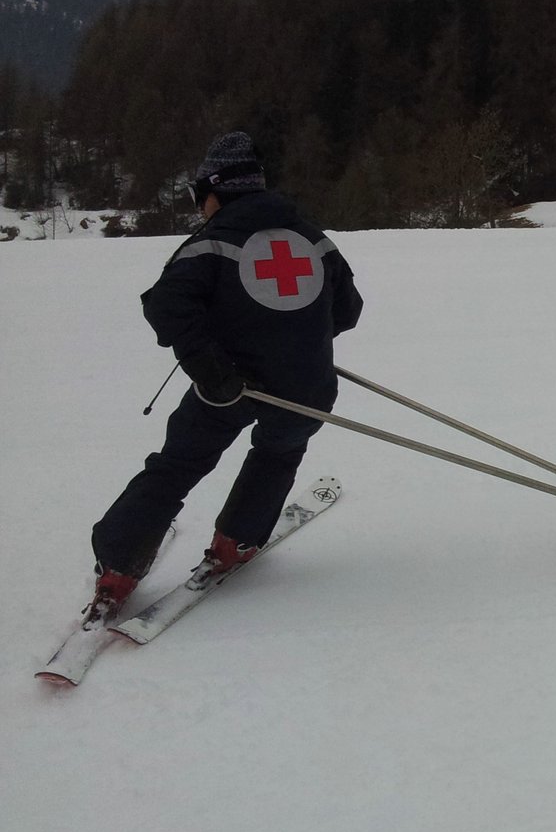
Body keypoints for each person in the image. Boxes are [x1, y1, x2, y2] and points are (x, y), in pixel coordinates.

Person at [83, 132, 364, 623]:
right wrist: (299, 341)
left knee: (176, 467)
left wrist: (211, 365)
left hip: (226, 386)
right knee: (279, 452)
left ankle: (119, 565)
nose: (200, 209)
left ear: (215, 193)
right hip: (305, 387)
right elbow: (348, 310)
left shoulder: (211, 243)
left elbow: (167, 305)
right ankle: (238, 542)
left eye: (200, 198)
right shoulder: (314, 238)